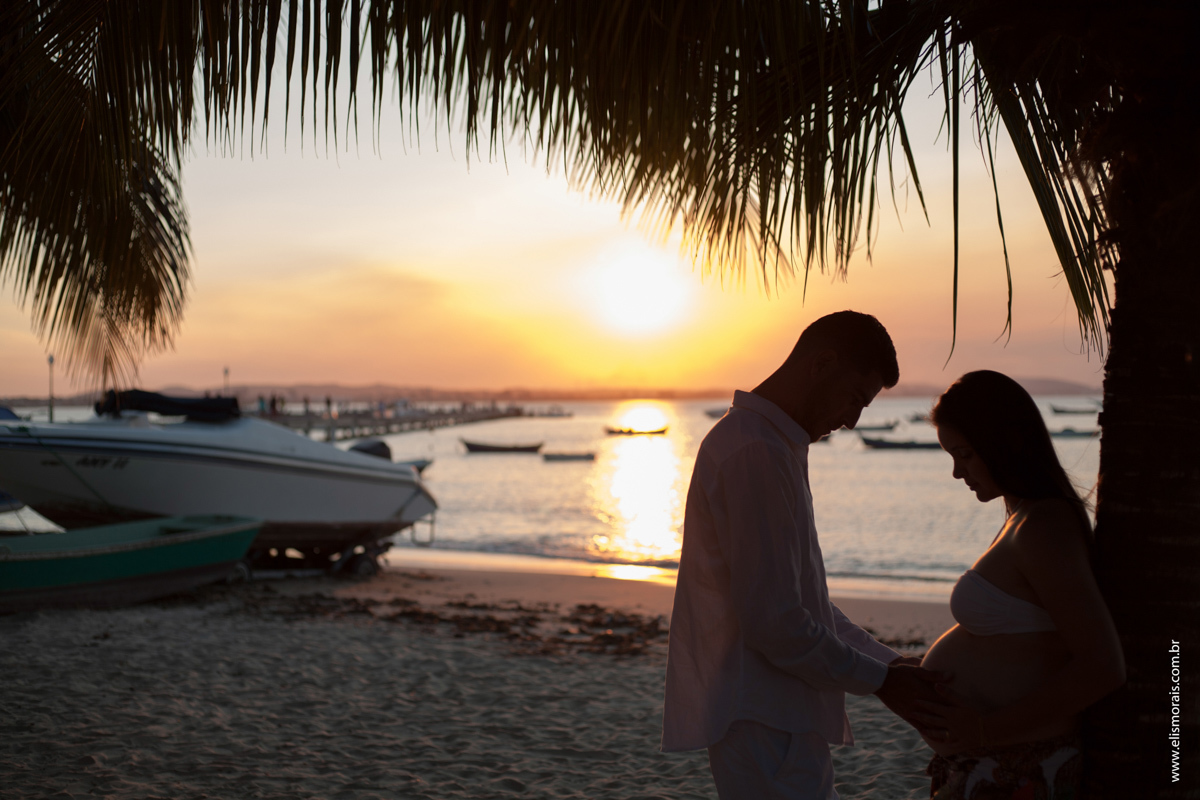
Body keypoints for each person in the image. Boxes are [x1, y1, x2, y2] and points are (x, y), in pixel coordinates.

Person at [662, 310, 946, 799]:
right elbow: (777, 623)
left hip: (777, 714)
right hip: (764, 717)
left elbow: (805, 603)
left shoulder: (770, 445)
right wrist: (881, 681)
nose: (853, 420)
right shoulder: (757, 452)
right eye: (855, 399)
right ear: (823, 364)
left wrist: (891, 665)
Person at [912, 370, 1125, 799]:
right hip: (994, 762)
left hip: (1017, 767)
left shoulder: (1044, 526)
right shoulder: (1022, 518)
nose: (957, 473)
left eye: (966, 454)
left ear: (1003, 442)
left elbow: (1103, 666)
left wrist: (983, 730)